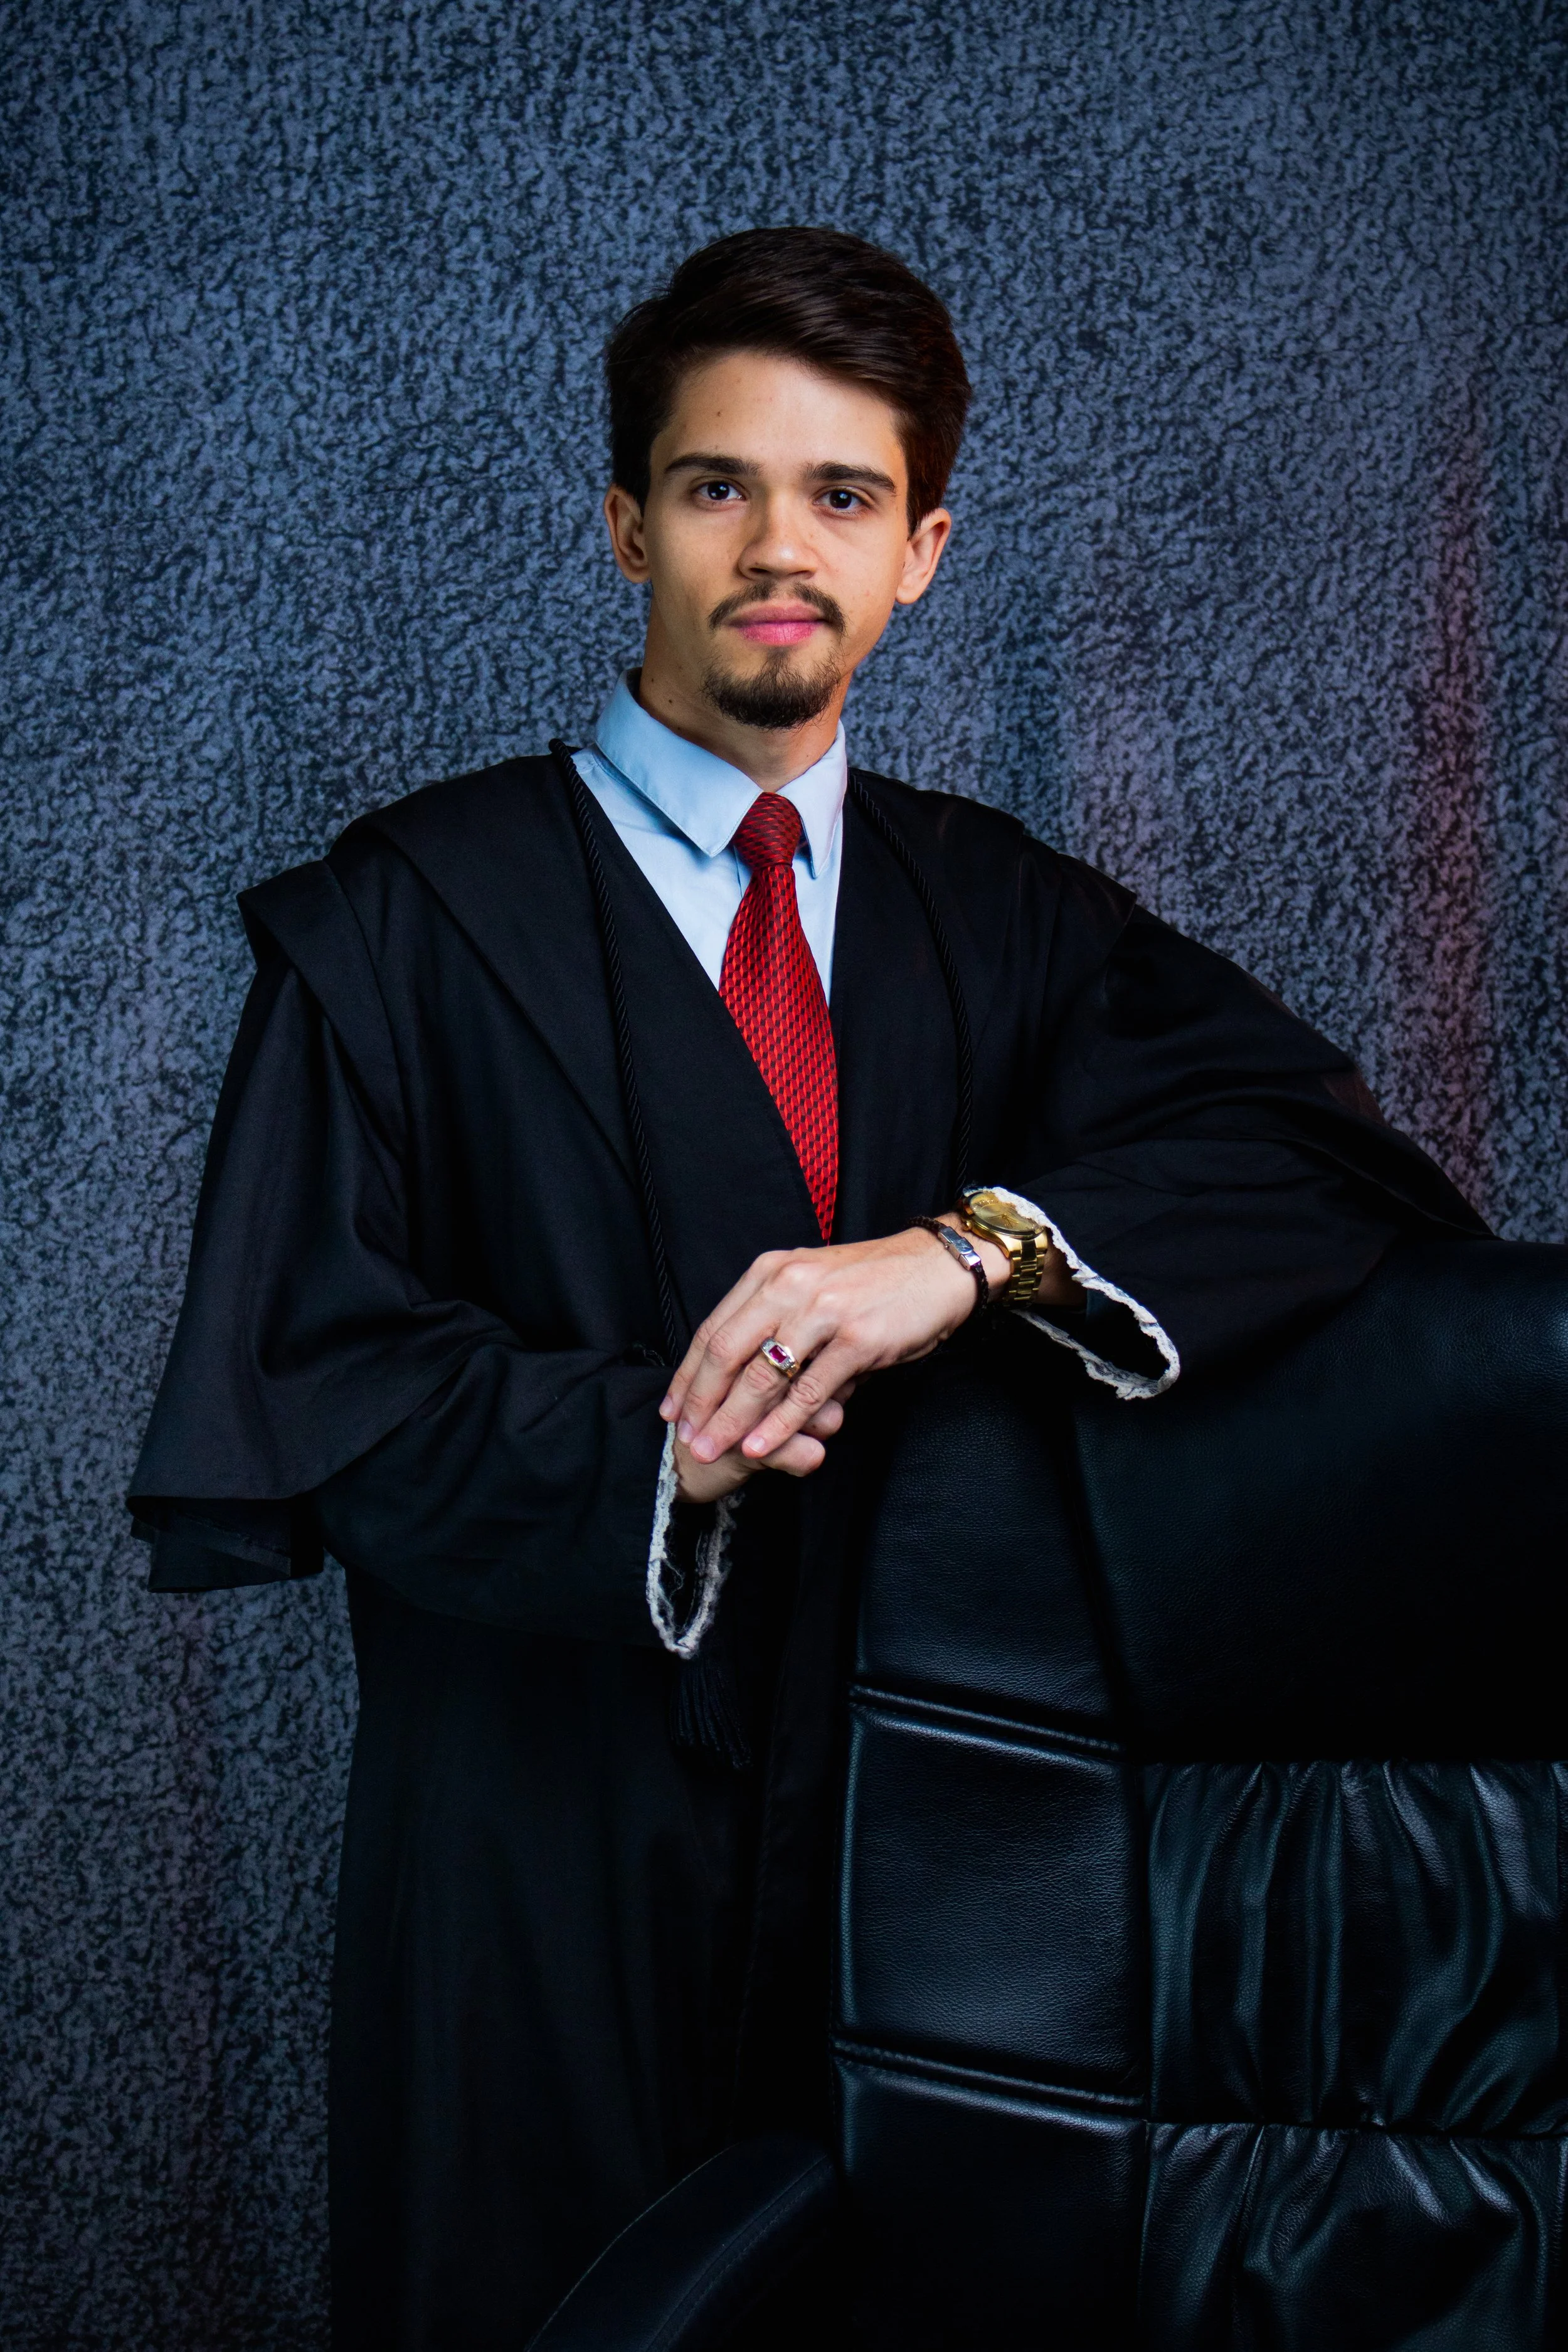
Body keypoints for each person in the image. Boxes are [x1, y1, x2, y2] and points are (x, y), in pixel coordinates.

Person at [129, 226, 1484, 2348]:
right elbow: (309, 1369)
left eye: (842, 496)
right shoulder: (408, 917)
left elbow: (1320, 1159)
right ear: (621, 524)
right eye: (714, 486)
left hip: (931, 1844)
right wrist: (657, 1447)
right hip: (530, 1852)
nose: (780, 547)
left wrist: (965, 1254)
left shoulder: (1006, 915)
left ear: (925, 547)